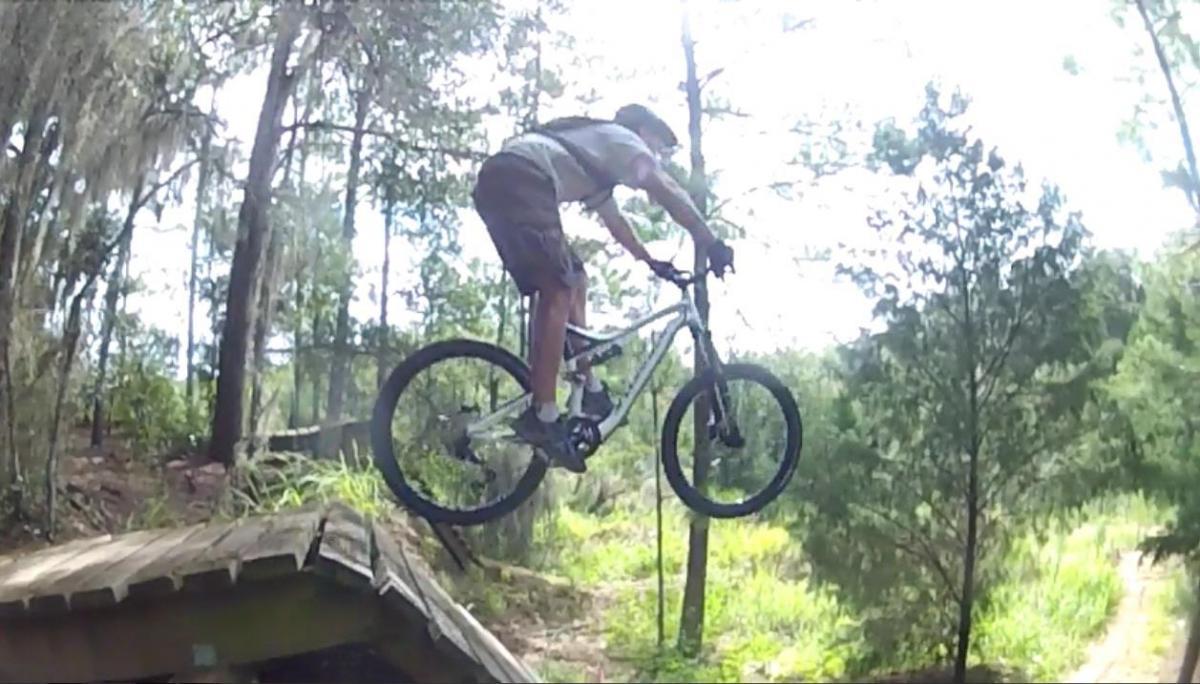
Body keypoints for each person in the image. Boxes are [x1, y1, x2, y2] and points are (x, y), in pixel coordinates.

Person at [471, 103, 734, 474]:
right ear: (642, 131)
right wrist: (710, 240)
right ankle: (543, 416)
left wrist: (651, 261)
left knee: (575, 278)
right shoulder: (623, 140)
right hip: (523, 179)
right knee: (557, 288)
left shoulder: (597, 161)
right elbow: (665, 187)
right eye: (658, 146)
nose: (658, 156)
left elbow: (617, 224)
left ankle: (589, 384)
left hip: (505, 181)